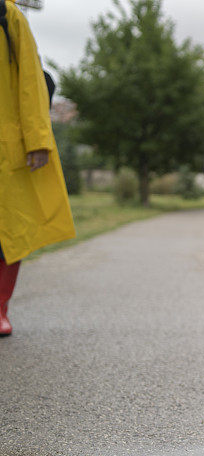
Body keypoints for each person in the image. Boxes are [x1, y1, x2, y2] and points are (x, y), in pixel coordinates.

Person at [0, 0, 75, 336]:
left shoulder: (8, 14)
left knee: (8, 233)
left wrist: (38, 140)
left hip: (5, 145)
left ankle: (0, 308)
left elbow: (32, 78)